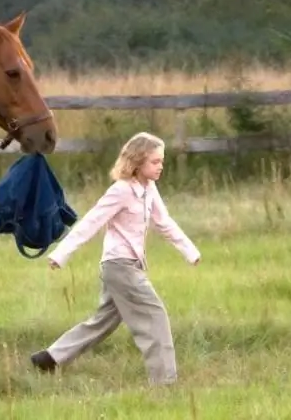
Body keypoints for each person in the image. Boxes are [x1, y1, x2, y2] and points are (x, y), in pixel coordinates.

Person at [29, 131, 201, 386]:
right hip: (119, 266)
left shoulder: (149, 189)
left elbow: (164, 223)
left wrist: (190, 251)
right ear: (137, 161)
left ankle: (50, 358)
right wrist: (61, 254)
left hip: (131, 266)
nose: (160, 166)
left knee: (103, 321)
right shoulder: (121, 191)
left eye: (161, 161)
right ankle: (165, 382)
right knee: (155, 314)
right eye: (155, 162)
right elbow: (92, 221)